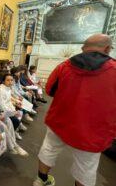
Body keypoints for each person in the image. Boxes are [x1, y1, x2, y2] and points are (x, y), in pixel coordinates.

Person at [33, 34, 116, 186]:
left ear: (84, 48)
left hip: (60, 120)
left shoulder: (64, 65)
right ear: (107, 48)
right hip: (93, 130)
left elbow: (50, 89)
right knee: (86, 167)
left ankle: (41, 180)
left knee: (49, 149)